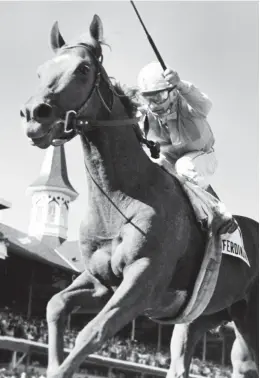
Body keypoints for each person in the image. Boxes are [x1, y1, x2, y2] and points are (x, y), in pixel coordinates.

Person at [136, 61, 237, 234]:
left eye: (159, 98)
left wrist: (181, 84)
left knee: (185, 166)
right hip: (171, 162)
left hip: (203, 156)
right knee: (156, 163)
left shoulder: (189, 105)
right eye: (148, 99)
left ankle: (220, 213)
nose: (154, 106)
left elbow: (206, 104)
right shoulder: (145, 117)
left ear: (173, 93)